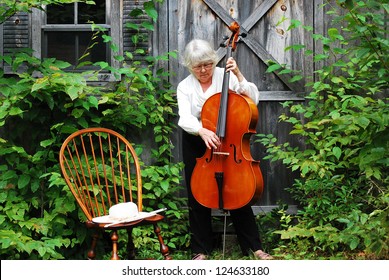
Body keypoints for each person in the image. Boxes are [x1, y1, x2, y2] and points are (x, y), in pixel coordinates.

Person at [176, 39, 273, 260]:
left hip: (227, 139)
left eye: (207, 65)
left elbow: (252, 99)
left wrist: (238, 74)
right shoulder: (185, 86)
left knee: (238, 191)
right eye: (197, 67)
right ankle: (200, 250)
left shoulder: (224, 76)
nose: (203, 70)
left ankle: (254, 248)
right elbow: (185, 117)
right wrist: (201, 130)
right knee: (197, 195)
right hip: (197, 140)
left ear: (213, 61)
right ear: (190, 66)